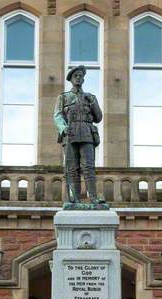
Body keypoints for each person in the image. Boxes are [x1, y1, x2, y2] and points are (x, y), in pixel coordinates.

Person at [54, 65, 103, 204]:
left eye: (81, 76)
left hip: (87, 133)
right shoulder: (64, 97)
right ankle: (74, 199)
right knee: (72, 168)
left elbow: (98, 117)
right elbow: (57, 116)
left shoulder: (90, 97)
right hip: (70, 133)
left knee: (88, 167)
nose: (79, 78)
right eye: (76, 76)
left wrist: (92, 103)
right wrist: (63, 128)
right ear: (71, 79)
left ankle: (93, 198)